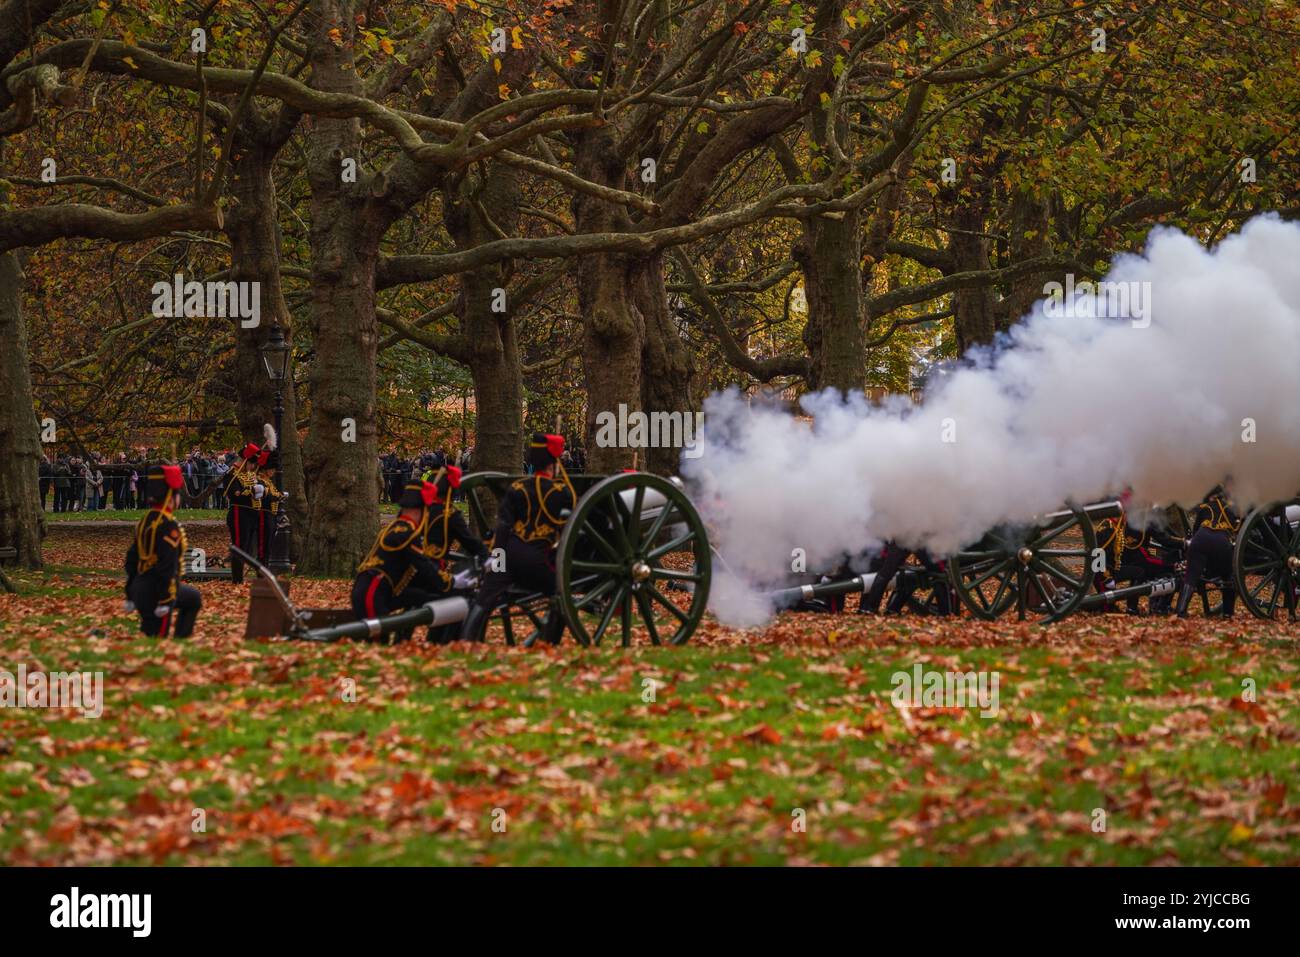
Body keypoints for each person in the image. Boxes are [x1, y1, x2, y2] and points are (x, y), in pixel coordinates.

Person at [461, 433, 575, 645]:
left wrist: (498, 563)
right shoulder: (561, 492)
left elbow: (502, 529)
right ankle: (550, 643)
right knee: (562, 595)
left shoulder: (516, 488)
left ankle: (466, 641)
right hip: (536, 560)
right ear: (554, 463)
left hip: (508, 555)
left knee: (483, 600)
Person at [350, 479, 445, 642]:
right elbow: (423, 566)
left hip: (381, 590)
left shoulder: (398, 527)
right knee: (377, 643)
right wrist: (449, 582)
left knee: (422, 597)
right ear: (421, 510)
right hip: (372, 592)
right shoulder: (406, 533)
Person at [123, 464, 202, 638]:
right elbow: (167, 565)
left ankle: (180, 641)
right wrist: (166, 598)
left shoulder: (146, 519)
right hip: (158, 591)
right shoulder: (168, 524)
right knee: (156, 639)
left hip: (139, 585)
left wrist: (130, 591)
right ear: (171, 497)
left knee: (193, 598)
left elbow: (132, 559)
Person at [421, 466, 489, 642]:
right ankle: (445, 640)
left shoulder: (422, 509)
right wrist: (487, 555)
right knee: (463, 599)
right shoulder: (449, 514)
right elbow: (470, 542)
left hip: (417, 568)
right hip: (434, 571)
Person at [1175, 485, 1240, 618]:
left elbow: (1195, 530)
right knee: (1228, 577)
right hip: (1220, 541)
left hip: (1200, 539)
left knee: (1191, 577)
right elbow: (1236, 529)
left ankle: (1181, 611)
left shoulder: (1205, 507)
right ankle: (1227, 613)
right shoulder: (1231, 509)